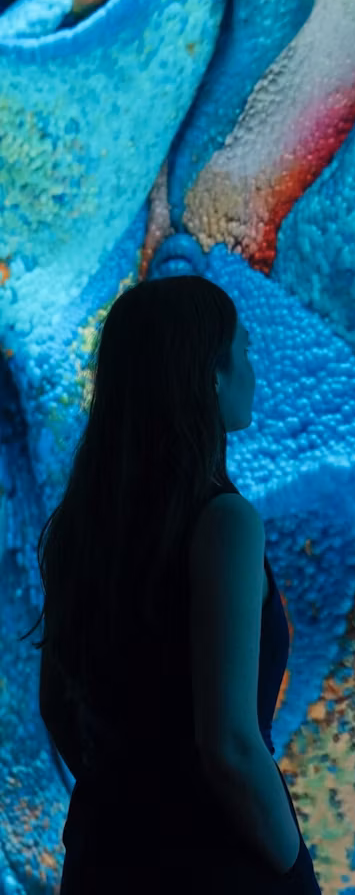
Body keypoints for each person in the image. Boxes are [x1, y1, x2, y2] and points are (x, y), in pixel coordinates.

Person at [18, 275, 322, 893]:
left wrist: (131, 801)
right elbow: (230, 744)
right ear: (210, 376)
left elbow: (56, 706)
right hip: (214, 865)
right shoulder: (225, 524)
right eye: (244, 349)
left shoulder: (84, 525)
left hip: (103, 858)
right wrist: (297, 870)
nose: (253, 367)